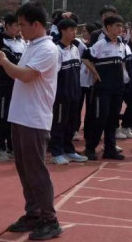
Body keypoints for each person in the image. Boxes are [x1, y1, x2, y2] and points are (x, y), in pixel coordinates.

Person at [0, 2, 63, 241]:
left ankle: (49, 219)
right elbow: (19, 75)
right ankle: (33, 213)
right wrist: (5, 62)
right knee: (25, 169)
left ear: (36, 24)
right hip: (21, 116)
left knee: (36, 171)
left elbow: (25, 76)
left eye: (23, 25)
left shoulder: (48, 49)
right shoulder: (32, 46)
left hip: (34, 118)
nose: (20, 29)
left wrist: (3, 61)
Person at [82, 15, 127, 162]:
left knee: (113, 120)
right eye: (117, 26)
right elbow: (85, 57)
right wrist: (94, 73)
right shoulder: (100, 45)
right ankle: (90, 148)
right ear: (108, 27)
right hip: (103, 89)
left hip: (118, 88)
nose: (120, 28)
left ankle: (110, 149)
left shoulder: (121, 43)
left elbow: (122, 63)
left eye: (121, 26)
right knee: (100, 118)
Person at [49, 19, 87, 165]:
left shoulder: (75, 49)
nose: (74, 32)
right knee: (59, 123)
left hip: (74, 93)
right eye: (71, 30)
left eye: (75, 29)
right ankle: (56, 152)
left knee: (72, 123)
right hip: (61, 95)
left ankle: (69, 150)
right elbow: (54, 75)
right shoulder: (56, 50)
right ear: (63, 31)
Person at [0, 14, 25, 162]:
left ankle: (11, 146)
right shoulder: (0, 42)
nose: (19, 28)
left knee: (15, 118)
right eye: (16, 25)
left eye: (20, 25)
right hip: (5, 85)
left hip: (19, 85)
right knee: (3, 117)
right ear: (7, 26)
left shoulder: (22, 42)